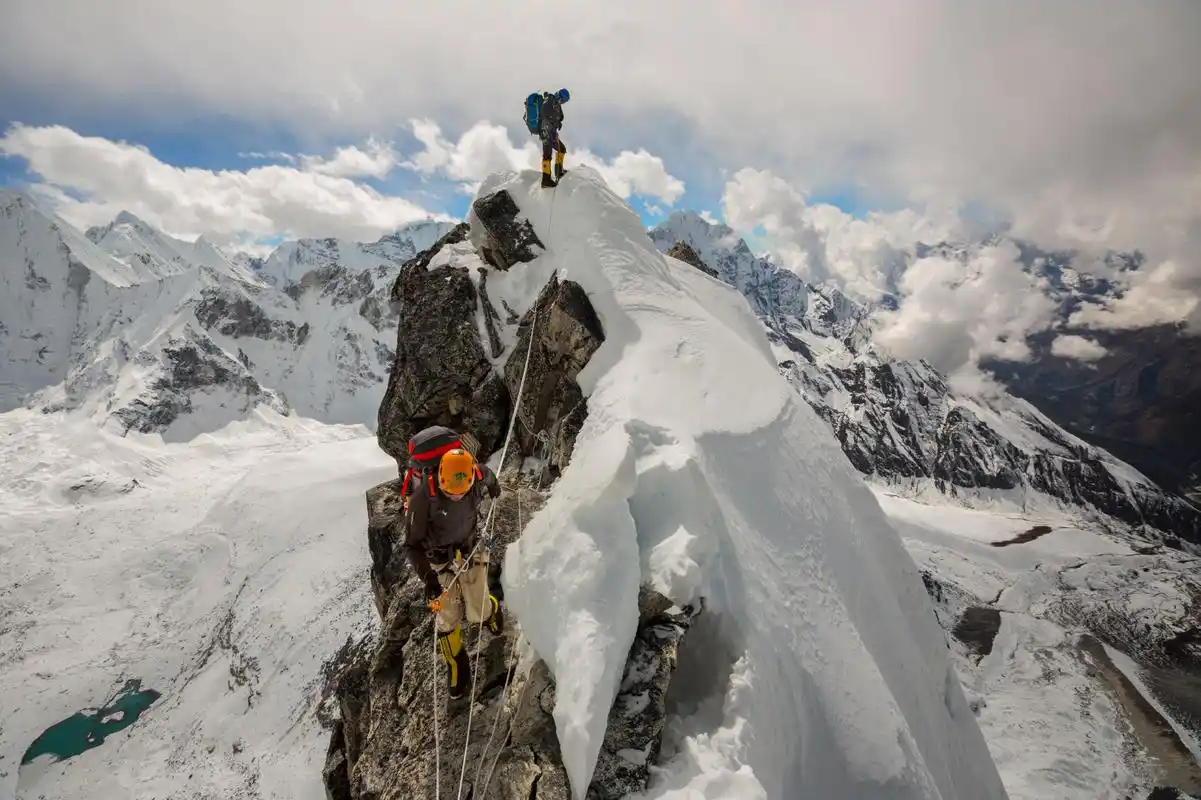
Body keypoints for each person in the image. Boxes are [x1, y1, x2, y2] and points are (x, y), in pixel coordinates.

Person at [403, 446, 503, 699]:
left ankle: (489, 609)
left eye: (463, 493)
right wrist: (428, 580)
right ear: (440, 480)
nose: (457, 497)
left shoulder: (476, 475)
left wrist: (495, 488)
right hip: (437, 562)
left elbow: (488, 475)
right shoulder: (422, 499)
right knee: (446, 617)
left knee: (477, 611)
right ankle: (456, 663)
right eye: (451, 493)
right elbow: (412, 545)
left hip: (470, 550)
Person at [533, 88, 570, 188]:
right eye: (562, 100)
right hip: (546, 132)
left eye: (564, 102)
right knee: (547, 155)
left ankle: (558, 172)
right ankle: (546, 180)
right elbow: (545, 114)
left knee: (561, 149)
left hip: (551, 132)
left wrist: (557, 123)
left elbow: (558, 117)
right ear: (559, 95)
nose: (562, 102)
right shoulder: (549, 100)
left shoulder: (555, 104)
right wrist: (554, 122)